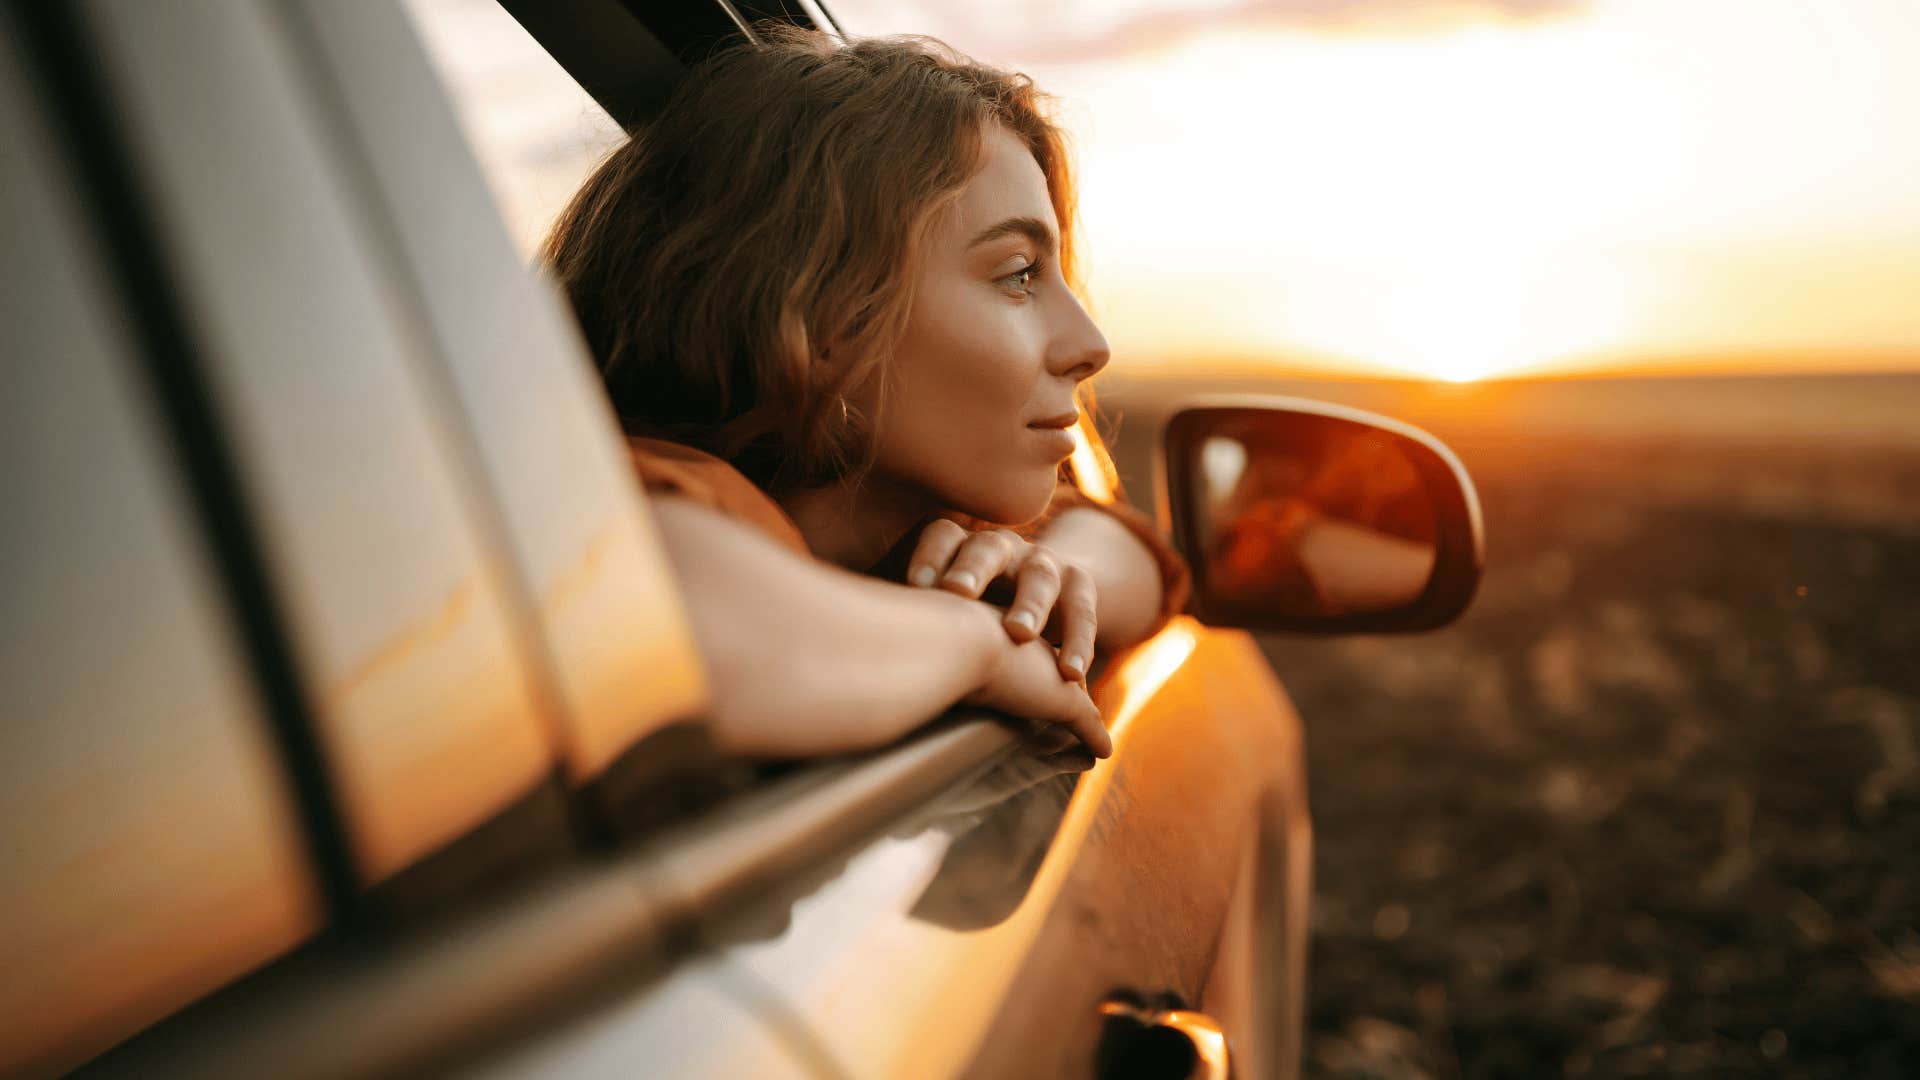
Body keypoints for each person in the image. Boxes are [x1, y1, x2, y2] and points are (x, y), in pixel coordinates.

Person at [544, 28, 1189, 761]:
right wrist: (980, 645)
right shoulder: (675, 496)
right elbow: (657, 628)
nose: (1091, 346)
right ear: (822, 318)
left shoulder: (916, 535)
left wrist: (1056, 579)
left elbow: (1135, 553)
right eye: (1018, 275)